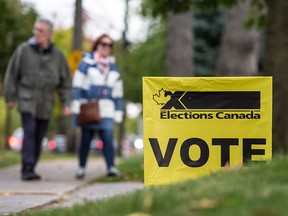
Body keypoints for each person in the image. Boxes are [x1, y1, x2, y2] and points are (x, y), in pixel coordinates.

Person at [3, 18, 71, 181]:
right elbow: (11, 75)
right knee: (29, 132)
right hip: (27, 100)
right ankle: (26, 168)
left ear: (49, 34)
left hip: (46, 103)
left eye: (41, 31)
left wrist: (66, 103)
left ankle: (32, 166)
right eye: (35, 30)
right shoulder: (23, 50)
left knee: (39, 135)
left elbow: (66, 82)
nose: (36, 33)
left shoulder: (58, 56)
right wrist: (9, 96)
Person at [71, 34, 124, 179]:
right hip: (89, 108)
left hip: (107, 110)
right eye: (103, 44)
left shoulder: (113, 68)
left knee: (107, 138)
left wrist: (119, 110)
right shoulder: (86, 64)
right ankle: (81, 168)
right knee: (86, 140)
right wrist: (76, 104)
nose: (107, 47)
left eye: (110, 45)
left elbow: (118, 92)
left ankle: (111, 167)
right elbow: (76, 85)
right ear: (97, 45)